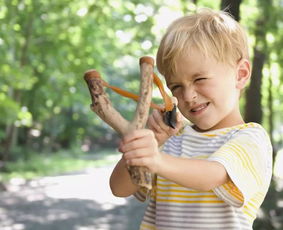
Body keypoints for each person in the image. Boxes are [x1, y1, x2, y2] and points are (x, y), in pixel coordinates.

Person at [109, 8, 273, 230]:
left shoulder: (250, 138)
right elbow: (119, 188)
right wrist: (149, 147)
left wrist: (156, 159)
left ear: (241, 74)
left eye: (200, 79)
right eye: (176, 86)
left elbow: (212, 175)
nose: (187, 96)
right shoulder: (172, 141)